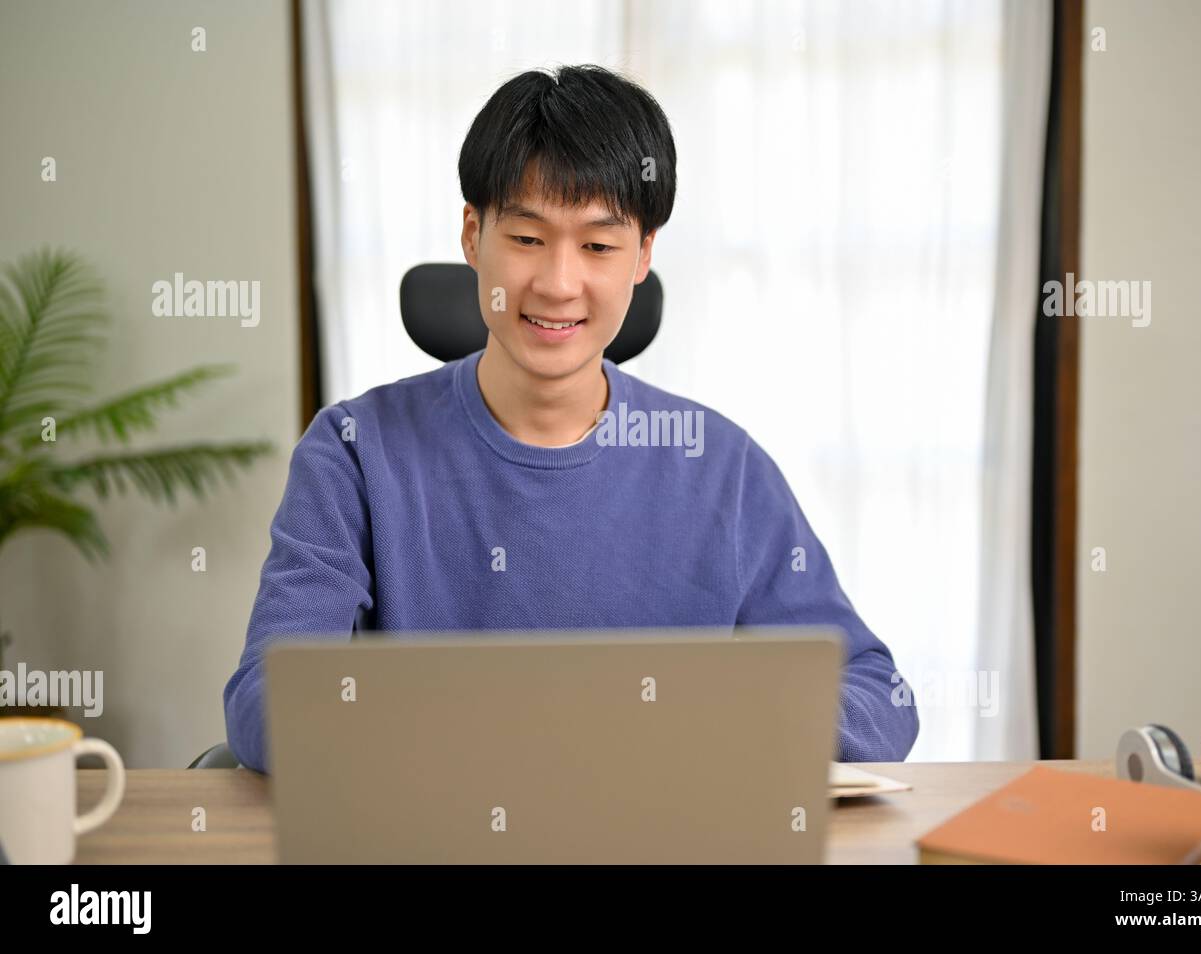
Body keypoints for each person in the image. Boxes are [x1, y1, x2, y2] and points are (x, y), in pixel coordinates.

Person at [223, 64, 918, 773]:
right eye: (526, 239)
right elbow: (267, 702)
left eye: (598, 245)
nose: (558, 284)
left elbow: (880, 697)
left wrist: (698, 730)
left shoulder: (721, 467)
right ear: (473, 236)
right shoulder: (354, 454)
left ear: (643, 254)